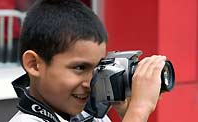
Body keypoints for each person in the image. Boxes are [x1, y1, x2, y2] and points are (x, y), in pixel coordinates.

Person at [9, 0, 167, 121]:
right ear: (34, 65)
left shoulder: (90, 116)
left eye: (98, 68)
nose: (91, 82)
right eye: (79, 67)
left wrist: (127, 113)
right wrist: (139, 110)